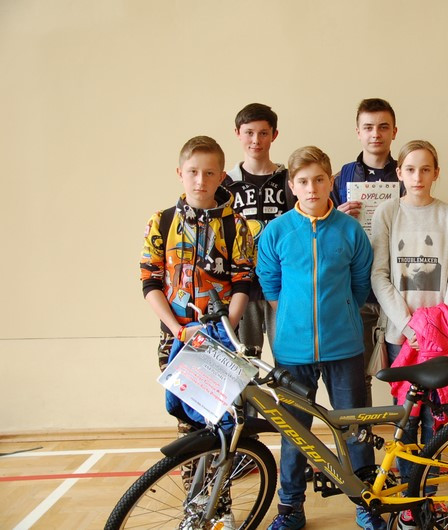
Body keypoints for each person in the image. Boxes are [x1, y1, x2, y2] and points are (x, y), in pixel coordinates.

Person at [257, 146, 383, 530]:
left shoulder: (350, 231)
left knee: (355, 429)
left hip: (344, 347)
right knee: (295, 432)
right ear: (292, 185)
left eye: (319, 179)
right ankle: (290, 507)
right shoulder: (277, 232)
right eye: (303, 181)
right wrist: (295, 317)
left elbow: (360, 285)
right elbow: (271, 285)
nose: (312, 188)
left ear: (331, 182)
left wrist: (339, 313)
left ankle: (365, 502)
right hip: (292, 352)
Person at [370, 140, 448, 530]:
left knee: (435, 421)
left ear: (436, 173)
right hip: (402, 337)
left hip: (439, 339)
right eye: (410, 169)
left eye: (426, 169)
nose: (418, 177)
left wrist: (437, 329)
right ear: (399, 173)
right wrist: (410, 326)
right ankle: (409, 500)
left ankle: (431, 498)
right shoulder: (388, 213)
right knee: (406, 421)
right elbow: (379, 275)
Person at [140, 135, 254, 433]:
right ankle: (192, 465)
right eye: (193, 172)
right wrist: (177, 329)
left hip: (220, 336)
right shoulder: (161, 222)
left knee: (223, 420)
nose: (200, 180)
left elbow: (243, 282)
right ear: (180, 173)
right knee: (188, 421)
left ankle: (224, 466)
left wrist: (224, 330)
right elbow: (150, 283)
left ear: (221, 176)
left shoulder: (236, 226)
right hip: (175, 336)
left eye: (209, 173)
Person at [333, 98, 402, 407]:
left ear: (394, 132)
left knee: (403, 370)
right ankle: (362, 436)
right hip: (355, 288)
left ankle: (405, 436)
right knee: (357, 371)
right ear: (358, 132)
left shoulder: (405, 173)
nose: (376, 134)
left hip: (397, 286)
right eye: (369, 127)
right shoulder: (341, 177)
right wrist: (337, 216)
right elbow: (321, 228)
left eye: (383, 127)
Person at [224, 103, 293, 357]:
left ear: (274, 135)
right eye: (249, 133)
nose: (256, 140)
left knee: (287, 359)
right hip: (242, 287)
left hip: (282, 284)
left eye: (263, 133)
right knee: (244, 360)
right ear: (237, 133)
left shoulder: (289, 180)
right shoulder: (226, 184)